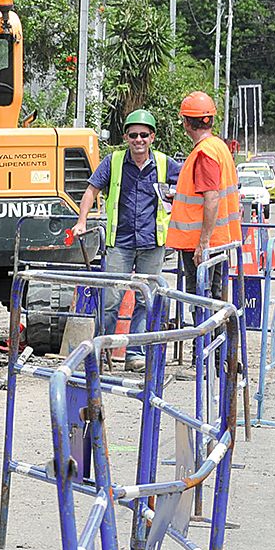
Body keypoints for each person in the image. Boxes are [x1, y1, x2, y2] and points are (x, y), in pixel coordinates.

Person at [72, 108, 181, 369]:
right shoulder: (114, 162)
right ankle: (100, 351)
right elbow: (91, 190)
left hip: (152, 244)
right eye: (134, 135)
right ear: (126, 137)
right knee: (110, 300)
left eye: (144, 135)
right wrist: (81, 220)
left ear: (153, 137)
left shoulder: (166, 164)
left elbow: (188, 190)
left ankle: (136, 356)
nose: (139, 140)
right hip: (120, 242)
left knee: (146, 300)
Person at [164, 90, 241, 298]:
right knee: (213, 295)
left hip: (202, 241)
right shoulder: (219, 147)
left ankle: (209, 332)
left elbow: (212, 197)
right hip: (217, 238)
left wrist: (203, 242)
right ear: (211, 120)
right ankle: (219, 331)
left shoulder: (204, 153)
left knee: (201, 297)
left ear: (187, 123)